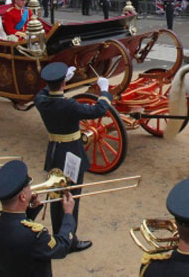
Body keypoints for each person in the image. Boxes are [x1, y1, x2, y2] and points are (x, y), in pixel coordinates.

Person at [34, 61, 113, 254]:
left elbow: (43, 92)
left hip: (54, 151)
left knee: (55, 196)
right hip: (71, 153)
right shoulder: (69, 105)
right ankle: (69, 239)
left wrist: (59, 81)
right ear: (63, 84)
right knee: (71, 198)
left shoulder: (41, 101)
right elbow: (99, 110)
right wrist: (104, 91)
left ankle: (58, 233)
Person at [0, 160, 76, 277]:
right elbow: (62, 247)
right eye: (29, 187)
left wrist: (29, 209)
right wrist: (68, 213)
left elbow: (15, 228)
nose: (32, 190)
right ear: (22, 196)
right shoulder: (36, 236)